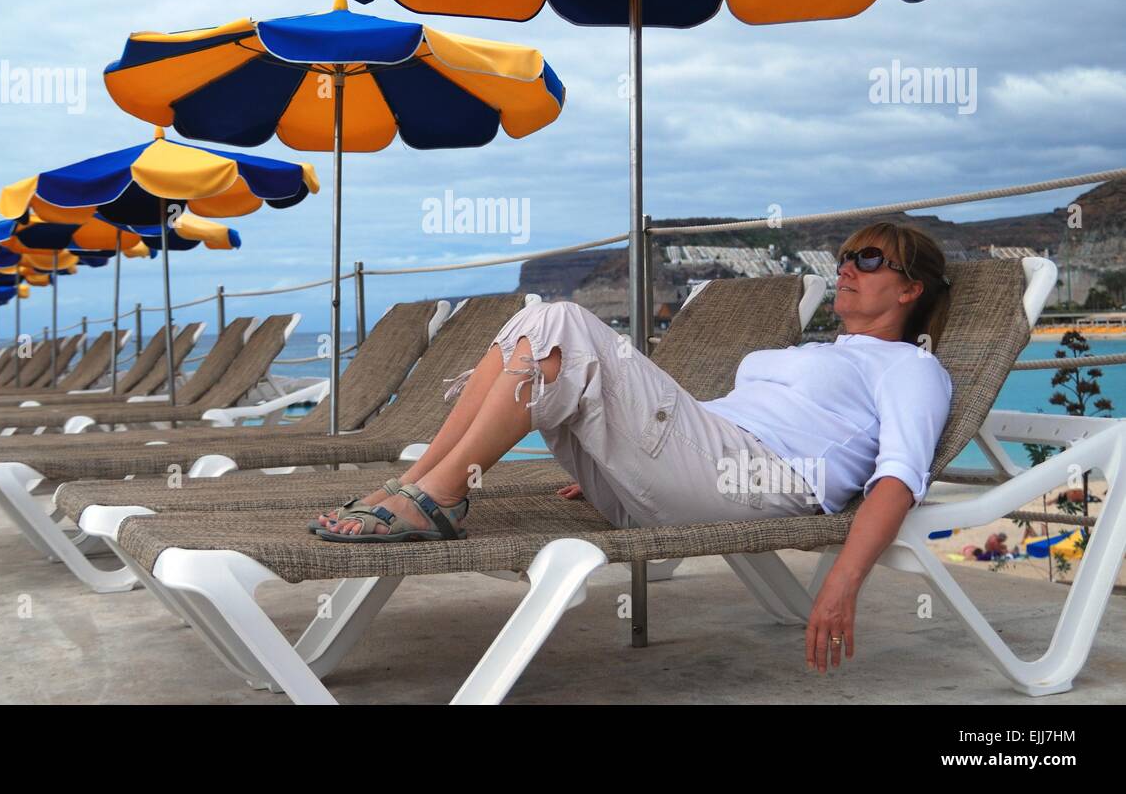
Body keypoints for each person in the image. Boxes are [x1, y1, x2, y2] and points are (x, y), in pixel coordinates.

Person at [311, 221, 954, 675]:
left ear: (909, 290)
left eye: (868, 260)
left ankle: (434, 493)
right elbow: (718, 416)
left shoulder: (910, 368)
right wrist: (627, 458)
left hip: (755, 478)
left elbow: (897, 477)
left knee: (557, 319)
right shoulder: (821, 352)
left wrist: (842, 585)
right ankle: (418, 485)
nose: (846, 266)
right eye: (846, 255)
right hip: (693, 469)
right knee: (541, 345)